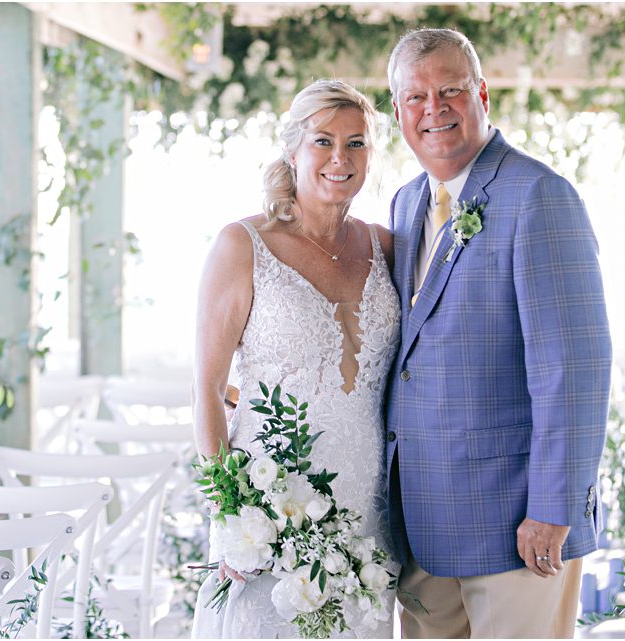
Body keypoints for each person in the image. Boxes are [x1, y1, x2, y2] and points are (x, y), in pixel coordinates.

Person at [384, 29, 612, 638]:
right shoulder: (406, 204)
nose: (433, 109)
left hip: (518, 524)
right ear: (398, 112)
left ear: (481, 94)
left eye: (450, 90)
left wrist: (553, 508)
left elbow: (574, 369)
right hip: (424, 524)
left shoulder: (540, 196)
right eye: (415, 97)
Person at [191, 79, 400, 639]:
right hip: (272, 513)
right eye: (323, 141)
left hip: (365, 520)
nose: (340, 158)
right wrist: (231, 518)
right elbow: (208, 390)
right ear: (292, 150)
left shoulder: (386, 246)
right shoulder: (242, 244)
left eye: (356, 143)